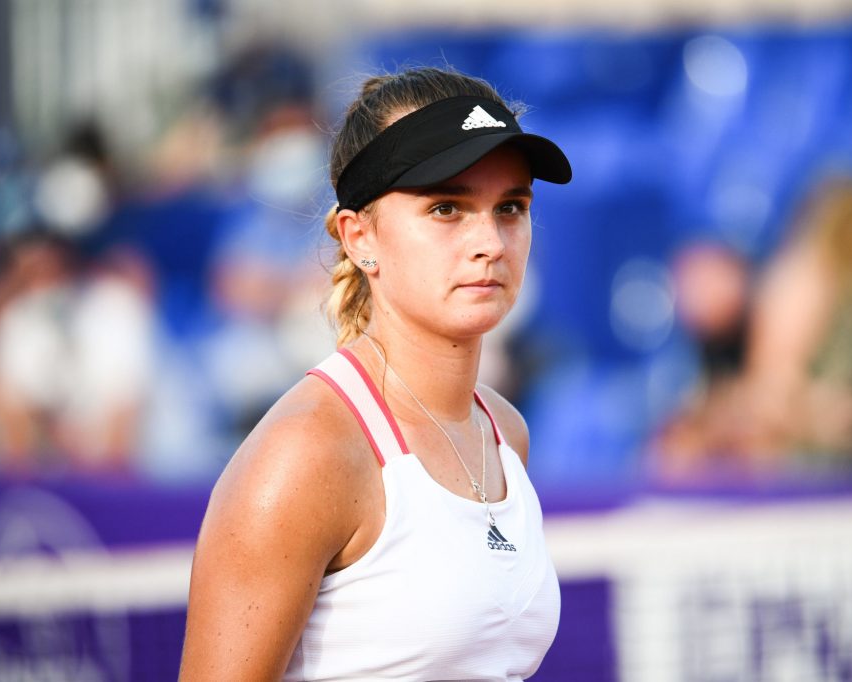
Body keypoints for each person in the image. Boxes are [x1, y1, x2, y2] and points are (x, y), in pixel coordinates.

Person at [179, 67, 572, 681]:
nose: (491, 241)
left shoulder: (505, 431)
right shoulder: (305, 454)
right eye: (447, 207)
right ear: (359, 236)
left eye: (511, 207)